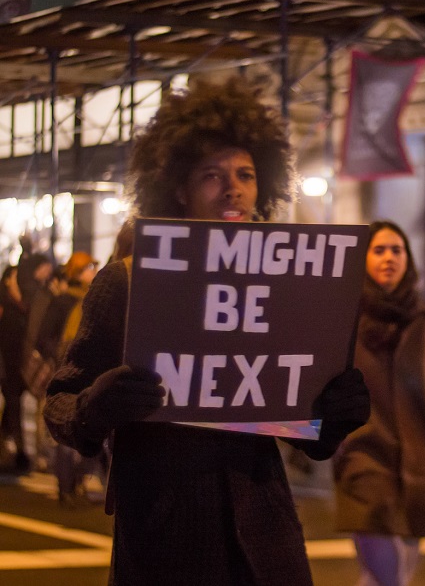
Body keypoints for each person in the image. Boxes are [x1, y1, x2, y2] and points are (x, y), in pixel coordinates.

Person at [43, 78, 370, 586]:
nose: (233, 187)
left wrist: (333, 415)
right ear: (179, 187)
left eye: (245, 174)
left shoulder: (282, 286)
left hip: (266, 544)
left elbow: (304, 431)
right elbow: (59, 402)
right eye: (212, 175)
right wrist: (95, 405)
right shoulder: (128, 281)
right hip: (163, 543)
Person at [333, 220, 425, 586]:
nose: (388, 258)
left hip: (419, 457)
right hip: (363, 451)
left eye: (396, 250)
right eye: (378, 250)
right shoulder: (344, 315)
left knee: (399, 567)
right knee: (387, 574)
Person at [36, 251, 101, 507]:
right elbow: (44, 337)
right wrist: (62, 358)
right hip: (67, 371)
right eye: (89, 266)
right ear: (77, 272)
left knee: (91, 424)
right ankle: (66, 487)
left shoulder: (96, 298)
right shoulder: (63, 302)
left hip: (91, 370)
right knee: (67, 424)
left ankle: (79, 481)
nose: (94, 270)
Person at [0, 264, 29, 472]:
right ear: (8, 279)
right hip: (5, 362)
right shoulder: (4, 302)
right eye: (17, 276)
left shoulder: (20, 302)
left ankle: (11, 450)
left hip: (16, 362)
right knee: (13, 404)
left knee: (12, 406)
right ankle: (19, 453)